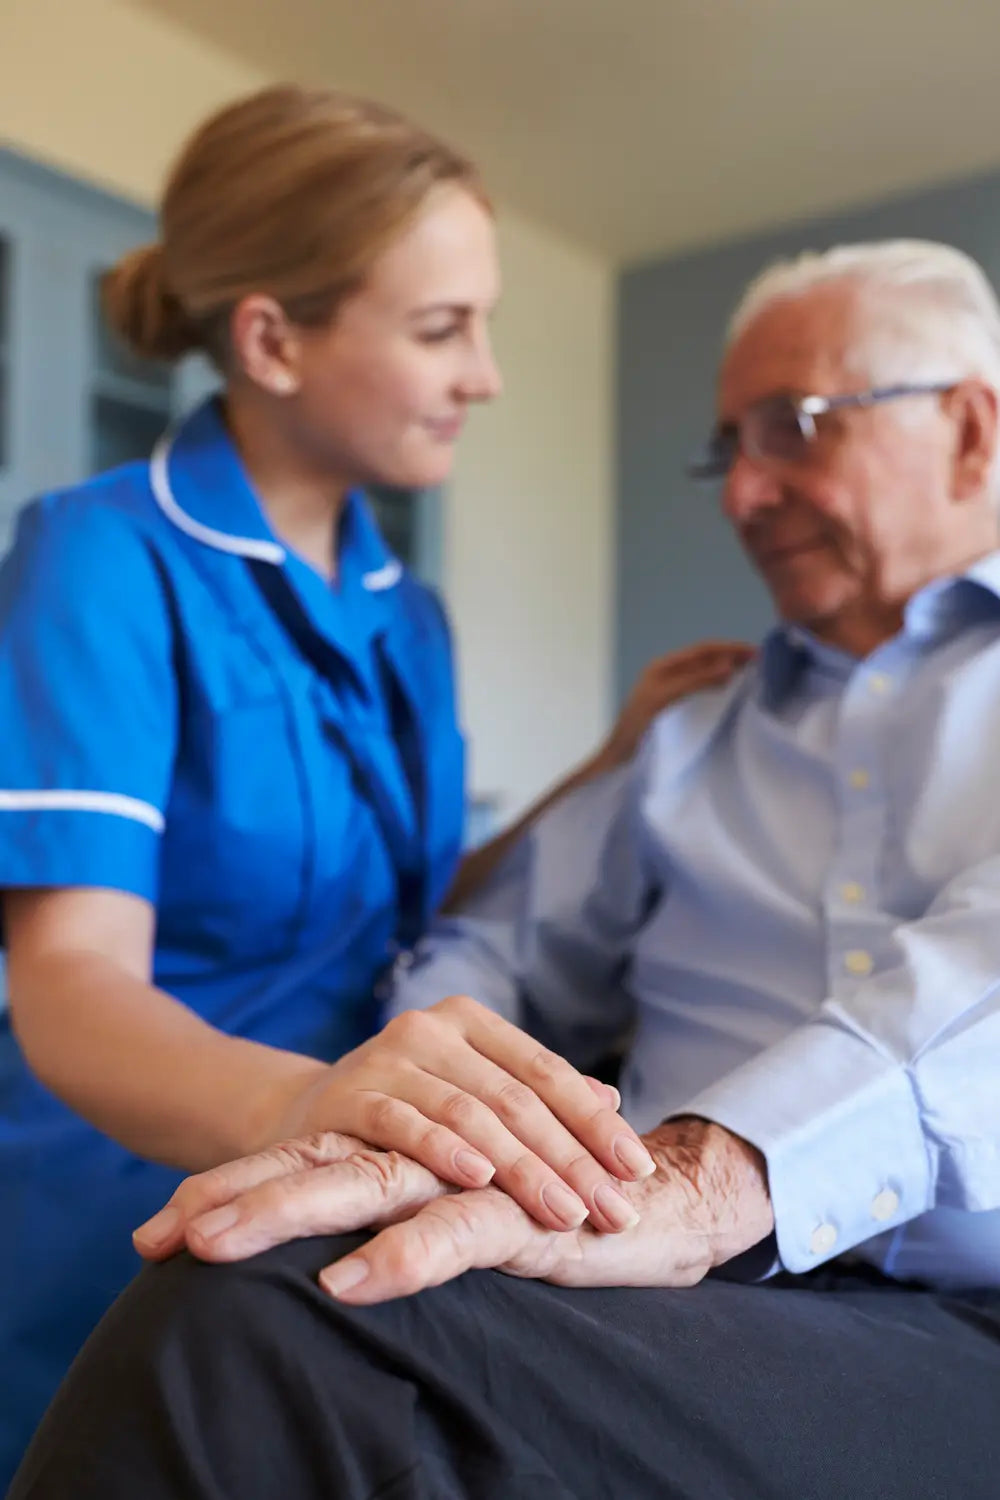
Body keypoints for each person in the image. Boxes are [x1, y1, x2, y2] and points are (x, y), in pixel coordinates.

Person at [12, 237, 1000, 1500]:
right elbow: (489, 941)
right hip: (687, 1304)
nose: (741, 494)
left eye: (791, 430)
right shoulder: (686, 738)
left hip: (945, 1308)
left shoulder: (402, 612)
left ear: (970, 430)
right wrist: (442, 1120)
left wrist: (709, 1181)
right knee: (278, 1296)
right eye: (726, 450)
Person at [0, 84, 751, 1488]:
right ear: (274, 339)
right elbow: (72, 993)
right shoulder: (100, 560)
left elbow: (400, 905)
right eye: (440, 328)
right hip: (124, 1205)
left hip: (349, 1192)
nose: (486, 374)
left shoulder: (410, 616)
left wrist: (606, 765)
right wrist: (309, 1107)